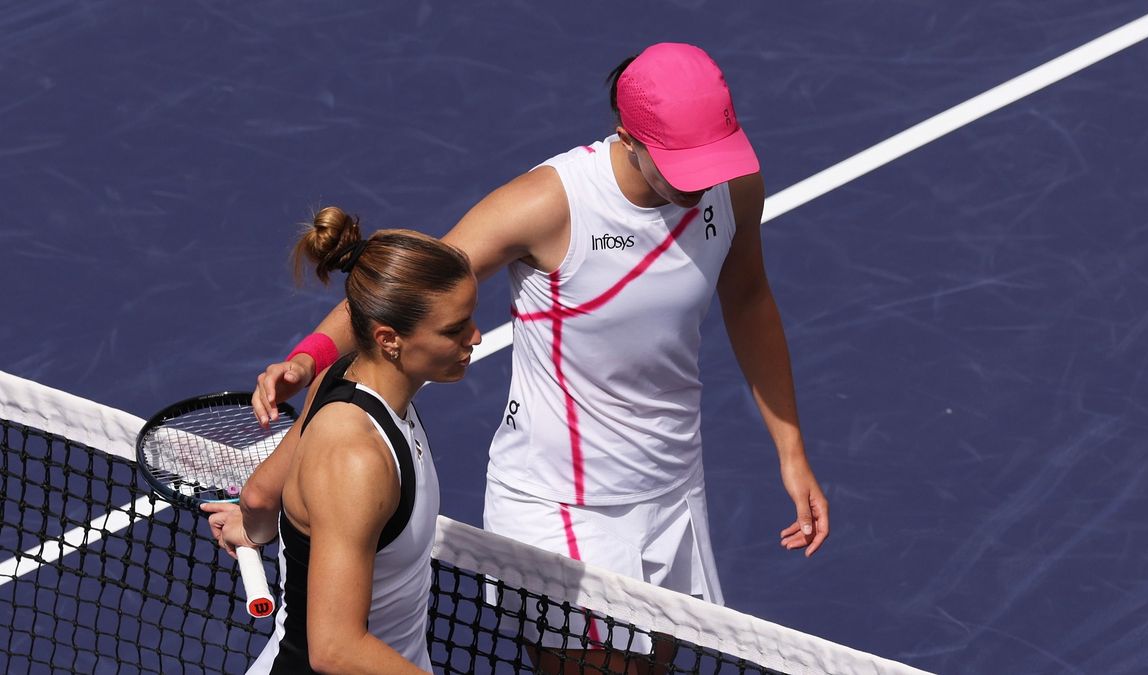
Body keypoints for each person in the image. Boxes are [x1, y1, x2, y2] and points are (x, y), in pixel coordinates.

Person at [251, 43, 829, 672]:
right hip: (562, 506)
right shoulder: (551, 205)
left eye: (711, 159)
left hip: (671, 488)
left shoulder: (732, 184)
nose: (703, 179)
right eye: (683, 165)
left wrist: (791, 451)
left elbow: (747, 297)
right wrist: (309, 357)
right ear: (627, 139)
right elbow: (406, 288)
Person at [203, 206, 481, 674]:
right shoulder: (356, 458)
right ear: (389, 339)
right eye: (453, 330)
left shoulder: (338, 378)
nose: (473, 337)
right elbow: (335, 648)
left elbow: (260, 494)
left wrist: (253, 526)